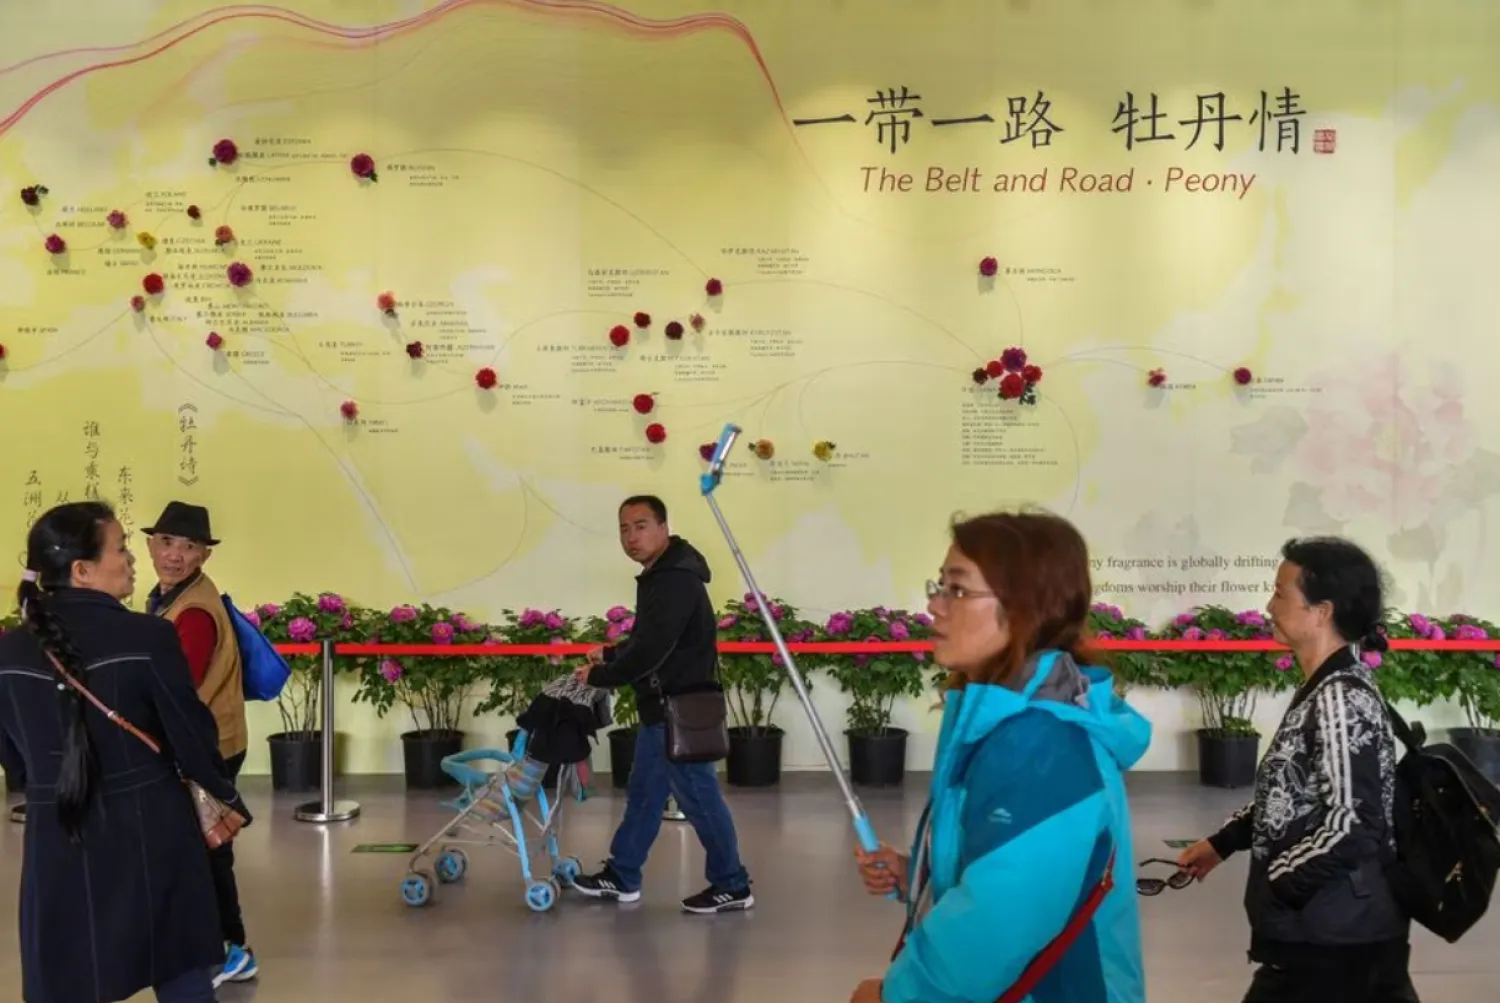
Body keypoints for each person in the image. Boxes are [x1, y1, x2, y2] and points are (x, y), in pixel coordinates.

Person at [851, 510, 1150, 1003]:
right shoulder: (1002, 716)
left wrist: (897, 996)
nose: (935, 605)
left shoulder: (1041, 742)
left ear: (1026, 607)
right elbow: (1012, 867)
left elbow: (999, 922)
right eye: (939, 585)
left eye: (958, 590)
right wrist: (918, 873)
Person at [0, 501, 251, 1003]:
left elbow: (15, 756)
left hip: (58, 828)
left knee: (67, 967)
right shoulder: (149, 636)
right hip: (151, 823)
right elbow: (191, 735)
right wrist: (225, 801)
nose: (133, 559)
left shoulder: (9, 650)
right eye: (121, 548)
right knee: (178, 965)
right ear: (83, 570)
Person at [1177, 537, 1417, 1003]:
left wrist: (1281, 882)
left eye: (1280, 593)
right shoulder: (1323, 688)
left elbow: (1355, 823)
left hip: (1335, 940)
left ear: (1321, 611)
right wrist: (1223, 843)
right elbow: (1290, 793)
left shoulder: (1340, 698)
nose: (1269, 606)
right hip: (1325, 934)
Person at [569, 494, 754, 913]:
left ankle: (733, 883)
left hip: (678, 710)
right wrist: (613, 654)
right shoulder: (662, 574)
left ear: (663, 527)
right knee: (646, 796)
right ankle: (623, 875)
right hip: (664, 707)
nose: (631, 537)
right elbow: (655, 640)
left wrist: (602, 675)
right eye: (623, 529)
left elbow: (652, 649)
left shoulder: (674, 579)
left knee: (700, 799)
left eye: (640, 525)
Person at [141, 501, 257, 988]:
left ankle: (231, 949)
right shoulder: (170, 595)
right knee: (202, 849)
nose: (174, 554)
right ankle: (219, 943)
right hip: (202, 739)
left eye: (188, 547)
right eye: (166, 542)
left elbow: (177, 688)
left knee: (209, 849)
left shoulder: (193, 611)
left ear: (204, 556)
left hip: (207, 745)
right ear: (150, 545)